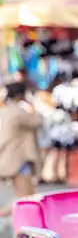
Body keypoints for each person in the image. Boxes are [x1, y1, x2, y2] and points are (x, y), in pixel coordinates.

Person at [0, 83, 43, 217]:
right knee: (26, 198)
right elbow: (37, 122)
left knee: (24, 196)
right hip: (19, 160)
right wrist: (32, 106)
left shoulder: (4, 111)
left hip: (9, 158)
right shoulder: (19, 112)